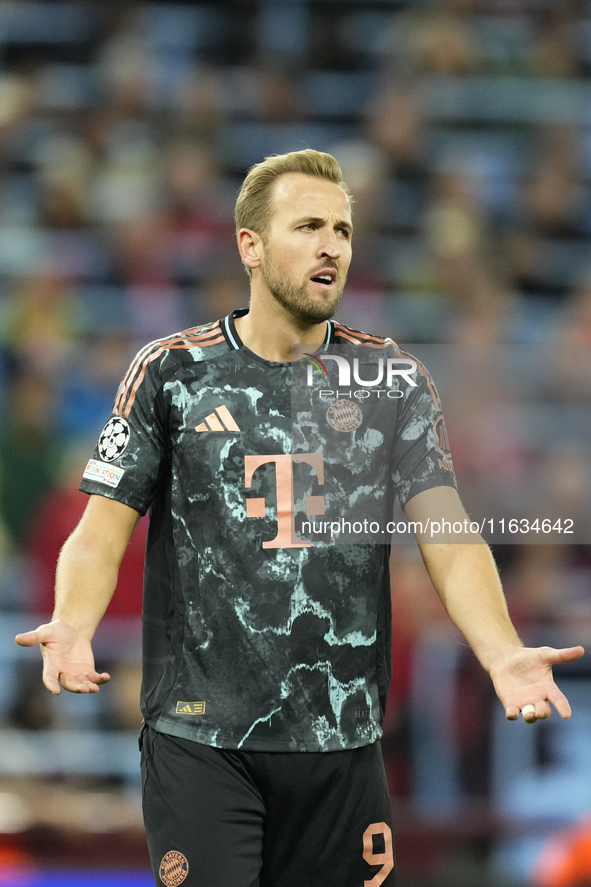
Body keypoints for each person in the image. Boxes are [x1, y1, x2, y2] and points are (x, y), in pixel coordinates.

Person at [16, 149, 584, 887]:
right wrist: (71, 621)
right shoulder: (168, 372)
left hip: (343, 745)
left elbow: (447, 533)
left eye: (343, 231)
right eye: (308, 225)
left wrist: (502, 651)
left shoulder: (393, 381)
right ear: (249, 245)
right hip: (201, 740)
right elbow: (99, 532)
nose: (331, 247)